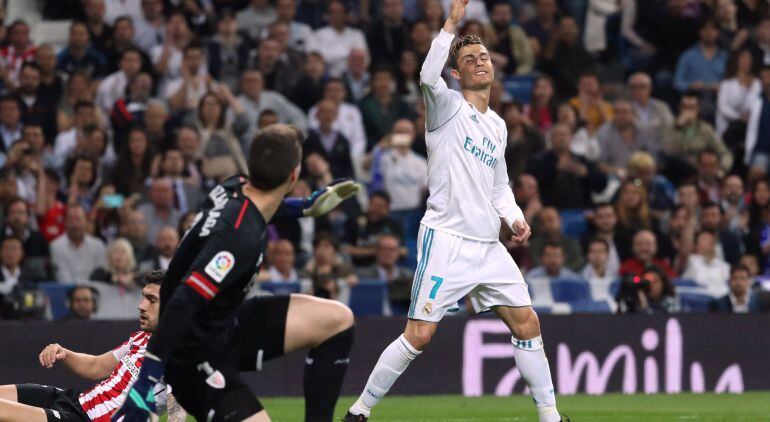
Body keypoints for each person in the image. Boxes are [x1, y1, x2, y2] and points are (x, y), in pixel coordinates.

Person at [345, 3, 563, 421]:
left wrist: (514, 217)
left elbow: (499, 185)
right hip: (447, 239)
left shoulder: (498, 126)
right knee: (419, 335)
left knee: (528, 324)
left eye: (483, 57)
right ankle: (359, 412)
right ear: (457, 74)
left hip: (488, 245)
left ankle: (550, 417)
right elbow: (428, 74)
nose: (479, 62)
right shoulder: (446, 107)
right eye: (468, 60)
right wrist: (449, 26)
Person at [114, 124, 361, 422]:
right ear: (294, 176)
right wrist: (146, 379)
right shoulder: (237, 238)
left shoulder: (232, 186)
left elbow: (266, 204)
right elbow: (182, 301)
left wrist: (304, 207)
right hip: (193, 355)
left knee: (337, 321)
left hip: (227, 323)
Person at [0, 270, 165, 421]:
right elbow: (95, 366)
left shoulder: (177, 357)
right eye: (143, 297)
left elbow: (178, 408)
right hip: (76, 402)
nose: (141, 306)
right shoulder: (141, 337)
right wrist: (64, 353)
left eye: (152, 300)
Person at [356, 234, 414, 314]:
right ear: (376, 252)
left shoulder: (410, 277)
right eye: (384, 249)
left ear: (398, 252)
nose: (388, 253)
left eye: (392, 249)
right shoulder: (363, 276)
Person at [50, 206, 107, 283]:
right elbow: (62, 278)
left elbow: (101, 275)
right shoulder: (56, 246)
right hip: (67, 292)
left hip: (94, 291)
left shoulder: (98, 246)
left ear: (85, 222)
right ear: (65, 222)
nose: (75, 224)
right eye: (71, 220)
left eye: (78, 219)